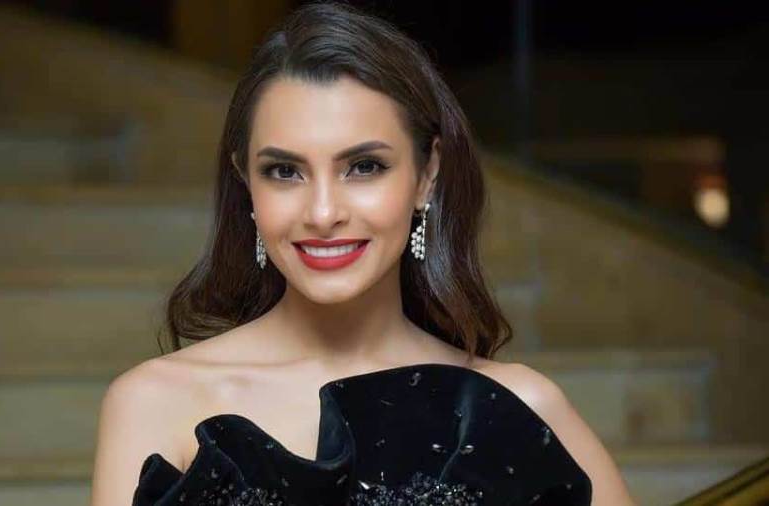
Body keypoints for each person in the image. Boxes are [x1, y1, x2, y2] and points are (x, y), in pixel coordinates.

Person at [90, 2, 636, 505]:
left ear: (427, 174)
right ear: (245, 184)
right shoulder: (156, 402)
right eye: (284, 171)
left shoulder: (515, 406)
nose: (323, 212)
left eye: (364, 167)